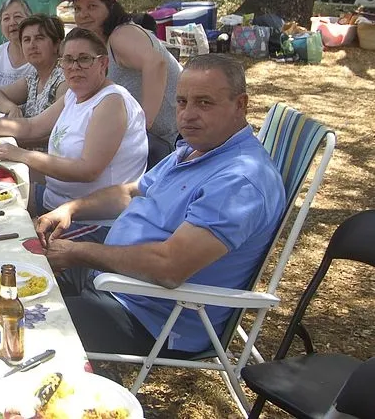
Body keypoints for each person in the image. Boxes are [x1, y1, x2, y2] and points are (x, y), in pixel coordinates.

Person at [34, 54, 285, 356]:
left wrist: (79, 253)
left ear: (240, 105)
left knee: (23, 323)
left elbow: (169, 267)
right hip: (113, 280)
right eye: (181, 102)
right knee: (18, 269)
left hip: (151, 316)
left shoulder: (239, 181)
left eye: (204, 103)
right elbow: (132, 193)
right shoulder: (196, 149)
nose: (188, 115)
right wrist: (71, 209)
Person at [0, 28, 147, 242]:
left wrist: (22, 155)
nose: (74, 66)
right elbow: (33, 126)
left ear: (103, 63)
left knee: (3, 240)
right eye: (68, 60)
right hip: (54, 200)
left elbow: (87, 170)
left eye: (84, 59)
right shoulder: (74, 95)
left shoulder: (111, 102)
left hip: (91, 221)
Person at [65, 0, 181, 158]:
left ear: (111, 7)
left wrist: (143, 123)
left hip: (169, 142)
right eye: (78, 8)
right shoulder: (104, 41)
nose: (83, 14)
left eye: (92, 6)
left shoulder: (121, 35)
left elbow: (156, 63)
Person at [0, 14, 66, 119]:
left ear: (56, 45)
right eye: (27, 40)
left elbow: (55, 126)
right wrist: (12, 108)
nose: (32, 45)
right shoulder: (33, 79)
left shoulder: (63, 79)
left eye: (39, 38)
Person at [0, 0, 35, 89]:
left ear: (29, 20)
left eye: (17, 16)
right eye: (6, 18)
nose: (12, 23)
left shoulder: (38, 54)